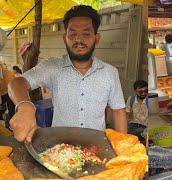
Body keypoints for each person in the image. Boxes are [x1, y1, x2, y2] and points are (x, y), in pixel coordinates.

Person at [8, 5, 127, 142]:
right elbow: (17, 83)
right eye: (73, 34)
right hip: (59, 150)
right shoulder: (52, 67)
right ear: (65, 38)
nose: (78, 40)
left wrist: (123, 147)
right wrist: (24, 106)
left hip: (96, 149)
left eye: (86, 33)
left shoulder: (110, 73)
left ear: (97, 38)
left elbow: (118, 111)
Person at [0, 63, 15, 128]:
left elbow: (12, 87)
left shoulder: (8, 73)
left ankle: (12, 125)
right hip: (3, 92)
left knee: (11, 107)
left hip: (8, 91)